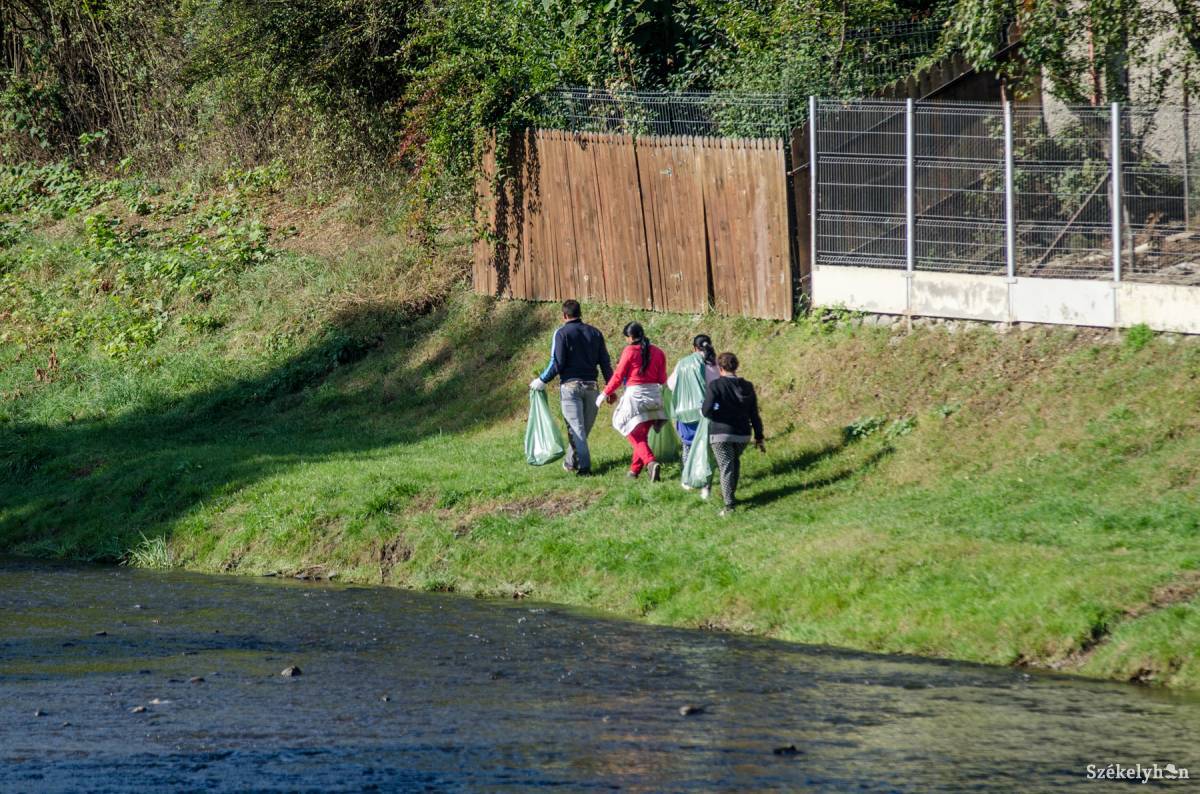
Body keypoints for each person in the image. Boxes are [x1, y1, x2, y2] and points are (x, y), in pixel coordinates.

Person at [529, 299, 613, 476]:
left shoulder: (561, 334)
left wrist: (542, 380)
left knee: (577, 431)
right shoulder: (595, 333)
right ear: (580, 313)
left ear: (564, 315)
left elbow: (557, 362)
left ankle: (585, 469)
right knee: (581, 432)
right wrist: (610, 387)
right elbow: (605, 362)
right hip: (592, 388)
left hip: (570, 388)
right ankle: (570, 462)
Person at [600, 322, 668, 481]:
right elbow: (662, 379)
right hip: (655, 398)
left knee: (624, 427)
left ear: (630, 337)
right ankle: (634, 471)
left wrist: (605, 393)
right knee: (641, 435)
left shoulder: (630, 351)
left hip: (635, 398)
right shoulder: (658, 351)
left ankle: (651, 462)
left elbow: (618, 376)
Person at [701, 352, 765, 516]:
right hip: (743, 435)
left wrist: (717, 414)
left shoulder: (715, 385)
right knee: (733, 462)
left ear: (720, 368)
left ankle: (729, 505)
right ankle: (729, 494)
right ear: (736, 366)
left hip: (721, 435)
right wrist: (759, 437)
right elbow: (754, 414)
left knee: (726, 466)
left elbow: (706, 410)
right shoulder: (747, 386)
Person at [667, 334, 720, 499]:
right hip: (708, 411)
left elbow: (670, 384)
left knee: (688, 445)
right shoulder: (714, 364)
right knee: (707, 448)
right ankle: (706, 485)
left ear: (694, 348)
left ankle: (687, 478)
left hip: (686, 412)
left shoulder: (684, 363)